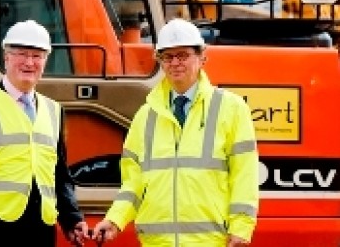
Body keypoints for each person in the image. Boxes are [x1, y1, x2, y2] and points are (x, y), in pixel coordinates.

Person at [91, 18, 258, 246]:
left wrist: (241, 227)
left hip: (210, 242)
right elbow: (133, 184)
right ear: (160, 61)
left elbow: (244, 176)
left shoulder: (232, 109)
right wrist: (114, 220)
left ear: (201, 58)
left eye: (183, 55)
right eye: (168, 56)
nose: (175, 63)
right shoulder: (145, 116)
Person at [0, 19, 91, 247]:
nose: (29, 62)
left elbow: (59, 174)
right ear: (6, 57)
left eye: (37, 56)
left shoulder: (54, 111)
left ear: (46, 61)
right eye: (21, 54)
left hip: (39, 231)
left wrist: (71, 218)